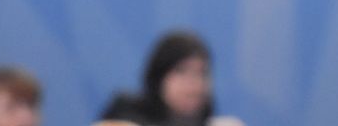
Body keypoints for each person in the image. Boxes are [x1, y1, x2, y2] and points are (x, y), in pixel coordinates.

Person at [99, 31, 244, 126]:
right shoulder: (123, 117)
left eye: (202, 73)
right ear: (159, 76)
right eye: (182, 71)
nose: (194, 84)